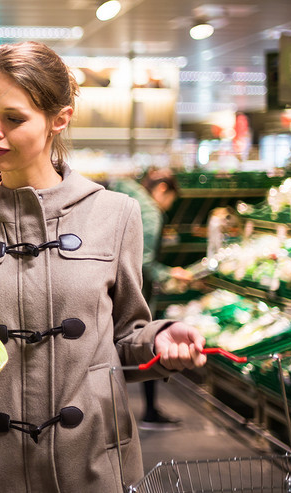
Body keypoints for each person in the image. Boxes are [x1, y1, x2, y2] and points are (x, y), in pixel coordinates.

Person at [0, 41, 207, 493]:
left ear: (59, 119)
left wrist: (161, 338)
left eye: (14, 117)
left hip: (91, 464)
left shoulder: (116, 215)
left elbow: (123, 339)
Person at [112, 169, 194, 430]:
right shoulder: (149, 212)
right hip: (134, 292)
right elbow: (144, 263)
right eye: (172, 199)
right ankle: (149, 412)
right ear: (162, 190)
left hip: (111, 289)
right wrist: (171, 273)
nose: (169, 205)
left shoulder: (121, 196)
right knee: (146, 341)